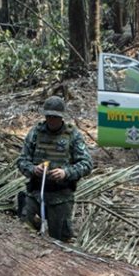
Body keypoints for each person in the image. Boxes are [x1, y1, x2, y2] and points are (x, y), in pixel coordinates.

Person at [16, 96, 93, 242]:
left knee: (59, 241)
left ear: (61, 117)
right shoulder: (36, 133)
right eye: (48, 116)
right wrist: (33, 169)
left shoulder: (72, 135)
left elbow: (87, 164)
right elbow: (21, 160)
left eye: (54, 117)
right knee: (24, 233)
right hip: (36, 194)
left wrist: (66, 173)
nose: (51, 120)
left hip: (61, 197)